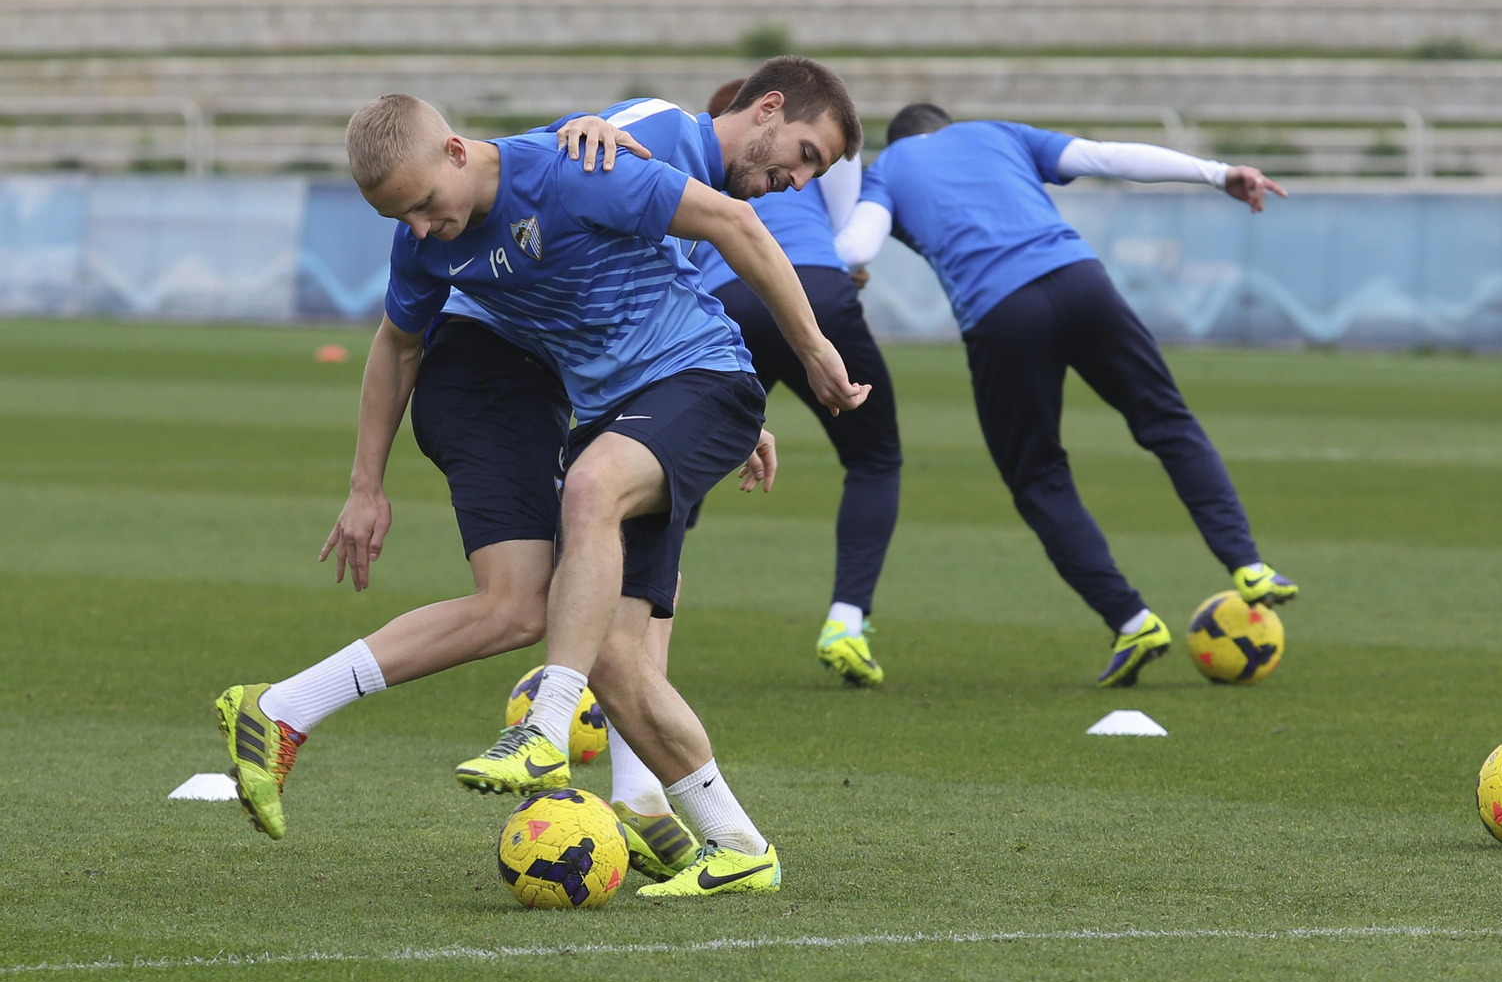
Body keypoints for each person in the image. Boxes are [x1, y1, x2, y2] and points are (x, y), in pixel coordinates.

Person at [217, 86, 866, 898]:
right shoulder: (428, 241)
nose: (418, 227)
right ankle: (736, 844)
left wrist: (812, 354)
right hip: (602, 407)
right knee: (616, 654)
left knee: (586, 500)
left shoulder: (583, 167)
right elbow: (396, 340)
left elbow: (728, 226)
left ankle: (546, 726)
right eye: (400, 217)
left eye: (422, 205)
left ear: (455, 153)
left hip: (693, 384)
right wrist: (364, 484)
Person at [833, 104, 1298, 688]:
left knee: (1037, 477)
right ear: (946, 127)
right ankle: (1249, 566)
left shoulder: (886, 172)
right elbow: (1108, 156)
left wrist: (809, 264)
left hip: (1002, 317)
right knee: (1167, 421)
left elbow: (857, 247)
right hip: (1081, 281)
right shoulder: (998, 134)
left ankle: (1131, 620)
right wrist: (1216, 172)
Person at [529, 70, 899, 687]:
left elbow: (679, 302)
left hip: (669, 345)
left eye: (817, 173)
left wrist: (741, 410)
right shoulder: (665, 128)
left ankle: (621, 744)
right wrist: (577, 124)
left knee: (652, 527)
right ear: (767, 109)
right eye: (805, 155)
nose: (799, 183)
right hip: (526, 354)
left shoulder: (700, 195)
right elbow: (533, 164)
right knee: (876, 460)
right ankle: (845, 619)